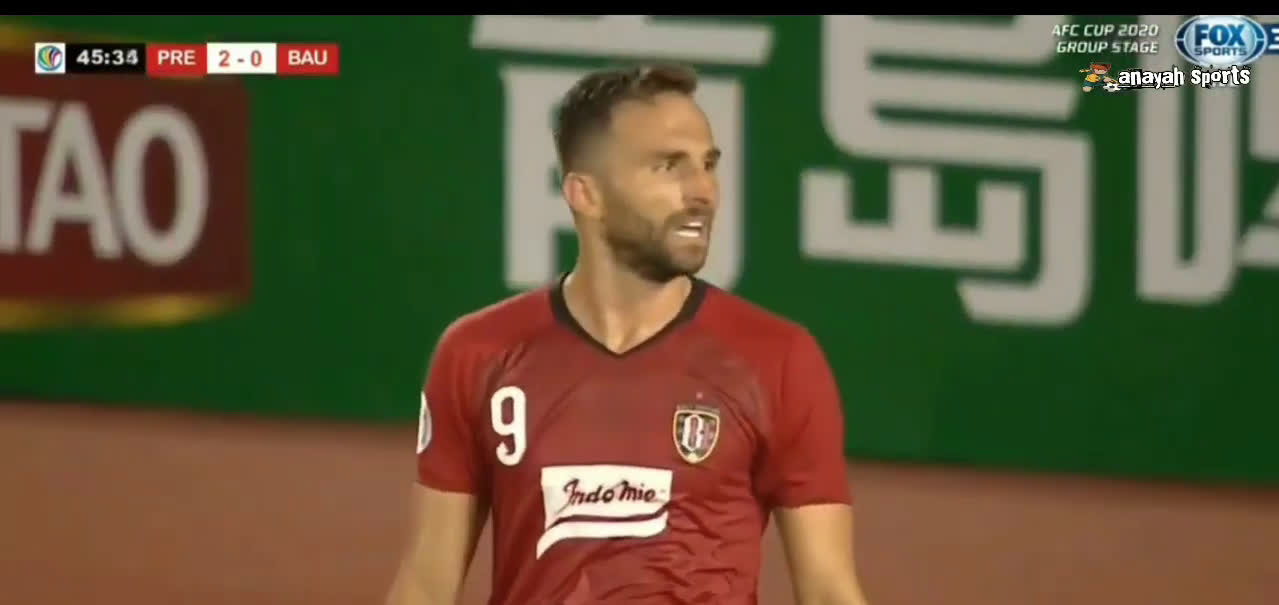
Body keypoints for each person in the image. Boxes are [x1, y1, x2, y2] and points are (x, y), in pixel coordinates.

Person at [385, 62, 870, 605]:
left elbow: (828, 589)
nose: (704, 191)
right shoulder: (478, 353)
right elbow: (426, 584)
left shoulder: (778, 359)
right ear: (585, 194)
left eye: (708, 165)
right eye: (668, 166)